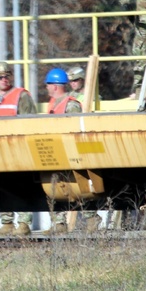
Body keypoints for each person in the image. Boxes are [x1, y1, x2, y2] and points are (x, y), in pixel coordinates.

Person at [42, 69, 101, 234]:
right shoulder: (53, 104)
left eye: (48, 85)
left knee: (80, 187)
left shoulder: (71, 104)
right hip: (56, 152)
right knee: (55, 187)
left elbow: (76, 130)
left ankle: (92, 219)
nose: (46, 88)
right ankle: (59, 224)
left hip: (71, 154)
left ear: (54, 86)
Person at [0, 61, 36, 236]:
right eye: (0, 77)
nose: (4, 80)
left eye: (7, 76)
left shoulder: (21, 96)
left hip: (17, 149)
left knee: (21, 185)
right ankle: (7, 222)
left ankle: (23, 223)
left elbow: (31, 123)